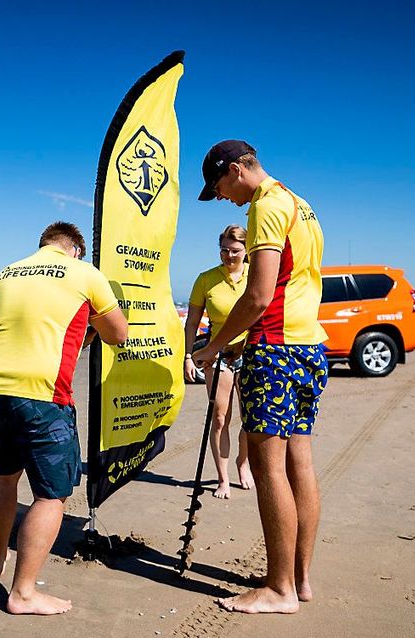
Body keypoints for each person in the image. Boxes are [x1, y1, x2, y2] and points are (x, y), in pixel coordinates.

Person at [192, 140, 328, 615]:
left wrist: (213, 346)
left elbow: (257, 295)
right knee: (300, 464)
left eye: (219, 186)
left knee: (270, 468)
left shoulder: (265, 207)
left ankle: (279, 588)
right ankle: (300, 579)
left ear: (234, 170)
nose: (223, 197)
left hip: (274, 349)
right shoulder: (300, 202)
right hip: (311, 345)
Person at [0, 221, 128, 615]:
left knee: (3, 477)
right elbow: (118, 334)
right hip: (42, 392)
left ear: (42, 245)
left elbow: (27, 326)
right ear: (75, 249)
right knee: (51, 494)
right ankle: (23, 593)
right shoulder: (84, 273)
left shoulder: (6, 272)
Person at [184, 224, 254, 499]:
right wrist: (189, 356)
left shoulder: (257, 274)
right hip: (218, 354)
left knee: (250, 419)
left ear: (246, 250)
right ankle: (223, 478)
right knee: (220, 417)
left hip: (251, 354)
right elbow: (191, 322)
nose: (228, 255)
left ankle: (243, 462)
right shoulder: (206, 279)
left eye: (235, 250)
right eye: (224, 249)